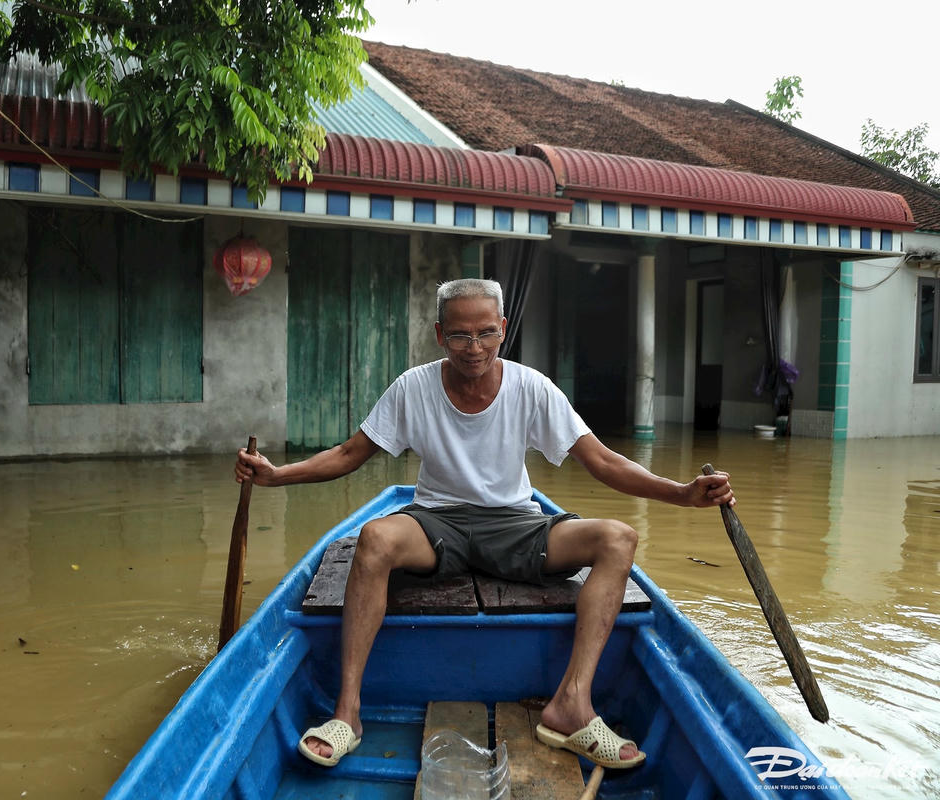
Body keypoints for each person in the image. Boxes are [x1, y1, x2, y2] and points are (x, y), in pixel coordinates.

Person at [234, 278, 734, 770]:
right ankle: (348, 712)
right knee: (375, 538)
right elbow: (349, 454)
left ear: (503, 329)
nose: (474, 348)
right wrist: (277, 476)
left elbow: (602, 461)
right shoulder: (413, 387)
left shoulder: (531, 387)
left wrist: (681, 493)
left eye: (486, 333)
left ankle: (572, 703)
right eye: (460, 335)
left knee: (618, 539)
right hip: (436, 522)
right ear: (439, 334)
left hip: (516, 525)